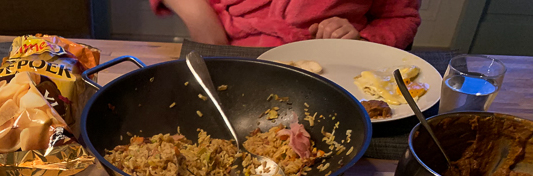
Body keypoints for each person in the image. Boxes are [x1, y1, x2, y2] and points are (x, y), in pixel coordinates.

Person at [152, 0, 421, 50]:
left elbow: (400, 18)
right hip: (231, 51)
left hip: (329, 60)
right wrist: (197, 15)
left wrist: (362, 39)